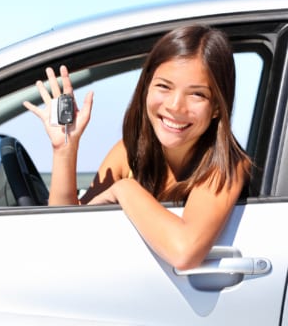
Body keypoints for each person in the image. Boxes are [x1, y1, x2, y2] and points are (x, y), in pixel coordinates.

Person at [23, 24, 251, 270]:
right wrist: (65, 149)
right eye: (164, 87)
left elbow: (184, 252)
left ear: (217, 107)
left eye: (197, 95)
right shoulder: (128, 153)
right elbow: (66, 232)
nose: (175, 106)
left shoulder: (227, 165)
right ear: (145, 89)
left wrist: (124, 188)